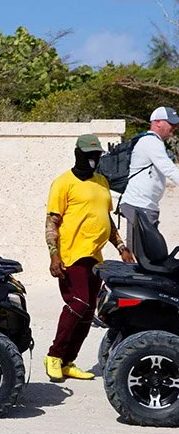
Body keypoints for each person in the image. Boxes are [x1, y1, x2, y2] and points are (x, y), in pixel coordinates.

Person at [45, 133, 134, 382]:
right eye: (89, 156)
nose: (94, 160)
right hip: (71, 256)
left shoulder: (101, 182)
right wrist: (54, 255)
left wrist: (121, 247)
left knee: (88, 311)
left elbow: (106, 220)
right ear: (78, 155)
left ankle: (66, 361)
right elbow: (52, 223)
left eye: (97, 156)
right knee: (79, 303)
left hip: (95, 257)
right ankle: (53, 355)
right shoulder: (63, 183)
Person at [118, 106, 179, 249]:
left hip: (143, 206)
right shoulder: (151, 142)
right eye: (171, 123)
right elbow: (168, 168)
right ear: (157, 122)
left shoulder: (154, 142)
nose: (174, 127)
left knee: (146, 254)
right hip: (139, 205)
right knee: (144, 256)